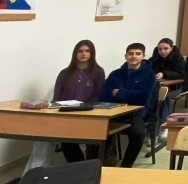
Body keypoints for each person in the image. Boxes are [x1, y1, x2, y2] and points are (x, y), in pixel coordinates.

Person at [23, 40, 106, 171]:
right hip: (66, 114)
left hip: (88, 114)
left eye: (87, 51)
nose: (83, 54)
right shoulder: (65, 73)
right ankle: (80, 169)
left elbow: (98, 96)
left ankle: (91, 170)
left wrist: (85, 108)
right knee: (67, 142)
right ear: (75, 53)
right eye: (80, 51)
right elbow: (57, 97)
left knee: (95, 141)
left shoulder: (98, 72)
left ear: (92, 53)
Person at [98, 43, 158, 168]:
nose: (133, 56)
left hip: (137, 114)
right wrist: (131, 95)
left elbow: (143, 99)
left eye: (138, 54)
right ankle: (102, 164)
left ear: (143, 56)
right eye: (130, 54)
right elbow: (103, 96)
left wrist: (119, 92)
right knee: (98, 129)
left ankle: (126, 166)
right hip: (115, 113)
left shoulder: (149, 74)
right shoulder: (115, 74)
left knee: (138, 133)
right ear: (125, 56)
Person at [151, 38, 186, 140]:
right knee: (157, 95)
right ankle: (154, 128)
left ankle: (163, 126)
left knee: (163, 97)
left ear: (171, 48)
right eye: (160, 49)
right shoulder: (155, 58)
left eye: (165, 49)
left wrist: (164, 74)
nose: (162, 51)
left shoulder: (178, 58)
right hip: (158, 87)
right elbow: (149, 68)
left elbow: (181, 75)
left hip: (175, 87)